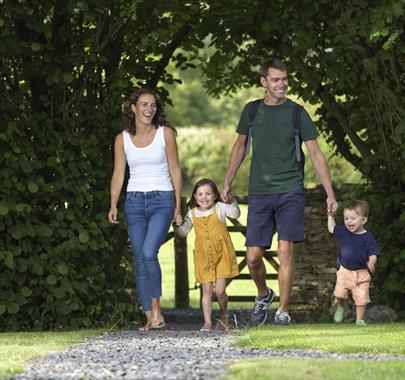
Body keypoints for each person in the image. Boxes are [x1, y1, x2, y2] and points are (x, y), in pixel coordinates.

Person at [221, 58, 338, 326]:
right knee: (252, 257)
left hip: (290, 191)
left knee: (285, 251)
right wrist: (227, 181)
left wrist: (331, 194)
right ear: (264, 82)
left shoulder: (298, 113)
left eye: (284, 79)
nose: (281, 84)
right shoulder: (251, 112)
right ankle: (264, 294)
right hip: (260, 192)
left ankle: (283, 311)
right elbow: (239, 148)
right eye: (275, 79)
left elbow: (317, 155)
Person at [108, 87, 183, 331]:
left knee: (149, 252)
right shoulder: (122, 139)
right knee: (139, 259)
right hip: (134, 202)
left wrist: (178, 206)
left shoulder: (166, 134)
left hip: (162, 199)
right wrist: (113, 204)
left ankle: (156, 306)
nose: (149, 109)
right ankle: (150, 316)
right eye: (144, 105)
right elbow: (119, 173)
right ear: (133, 108)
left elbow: (175, 170)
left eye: (152, 105)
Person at [175, 179, 240, 332]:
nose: (204, 197)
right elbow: (182, 233)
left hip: (222, 253)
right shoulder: (192, 214)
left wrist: (231, 201)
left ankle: (224, 314)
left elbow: (236, 214)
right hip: (203, 256)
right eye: (200, 194)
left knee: (219, 291)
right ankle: (207, 323)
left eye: (208, 194)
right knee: (207, 290)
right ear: (195, 197)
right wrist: (177, 224)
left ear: (215, 196)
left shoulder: (220, 208)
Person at [328, 200, 380, 325]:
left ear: (364, 220)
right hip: (344, 271)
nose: (349, 221)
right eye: (346, 218)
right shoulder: (343, 232)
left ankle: (359, 320)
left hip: (362, 273)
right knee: (339, 294)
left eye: (353, 218)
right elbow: (331, 229)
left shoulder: (368, 237)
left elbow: (373, 253)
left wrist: (371, 262)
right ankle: (341, 306)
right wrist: (330, 215)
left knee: (361, 299)